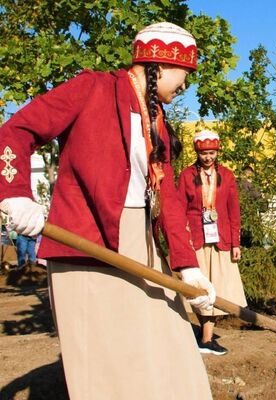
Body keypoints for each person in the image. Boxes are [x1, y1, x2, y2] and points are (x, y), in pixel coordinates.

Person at [0, 22, 215, 399]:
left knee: (171, 344)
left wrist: (188, 266)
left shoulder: (158, 122)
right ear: (160, 65)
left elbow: (168, 199)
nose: (186, 85)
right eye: (186, 74)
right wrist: (15, 194)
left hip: (142, 244)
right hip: (87, 243)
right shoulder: (92, 88)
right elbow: (16, 131)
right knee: (110, 361)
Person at [178, 129, 248, 355]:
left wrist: (236, 243)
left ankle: (206, 338)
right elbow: (179, 209)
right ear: (197, 153)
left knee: (216, 288)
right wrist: (181, 239)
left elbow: (233, 211)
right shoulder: (187, 175)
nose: (208, 157)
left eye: (212, 153)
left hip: (221, 240)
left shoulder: (227, 176)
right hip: (196, 239)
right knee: (197, 288)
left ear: (217, 151)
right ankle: (205, 337)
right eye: (204, 153)